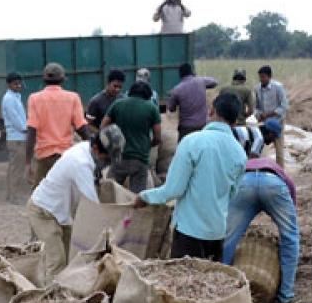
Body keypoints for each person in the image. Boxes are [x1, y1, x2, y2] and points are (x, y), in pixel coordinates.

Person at [136, 92, 247, 260]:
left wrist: (144, 197)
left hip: (189, 233)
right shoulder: (239, 153)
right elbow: (231, 194)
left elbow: (173, 190)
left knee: (183, 284)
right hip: (217, 233)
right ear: (235, 119)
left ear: (212, 111)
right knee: (210, 284)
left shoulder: (192, 142)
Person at [26, 125, 124, 279]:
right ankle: (54, 300)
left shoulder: (87, 149)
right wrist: (111, 236)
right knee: (57, 261)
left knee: (69, 259)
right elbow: (94, 207)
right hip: (43, 212)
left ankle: (61, 290)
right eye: (107, 158)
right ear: (97, 149)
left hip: (61, 214)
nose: (107, 163)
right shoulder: (80, 163)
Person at [223, 118, 299, 303]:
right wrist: (288, 220)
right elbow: (290, 188)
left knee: (228, 238)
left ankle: (222, 287)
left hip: (244, 182)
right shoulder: (276, 168)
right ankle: (285, 296)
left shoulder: (245, 156)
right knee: (290, 237)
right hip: (274, 185)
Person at [25, 62, 92, 185]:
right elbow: (82, 128)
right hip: (66, 157)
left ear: (44, 79)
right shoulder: (73, 98)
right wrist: (93, 152)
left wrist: (28, 163)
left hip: (44, 157)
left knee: (40, 197)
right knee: (66, 194)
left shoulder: (34, 99)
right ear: (62, 79)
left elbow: (32, 132)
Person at [102, 81, 161, 193]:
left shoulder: (117, 104)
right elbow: (158, 137)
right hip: (140, 159)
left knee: (109, 193)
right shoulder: (152, 108)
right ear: (148, 94)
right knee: (137, 197)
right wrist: (147, 145)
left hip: (119, 157)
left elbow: (103, 126)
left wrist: (112, 144)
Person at [166, 63, 219, 141]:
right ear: (192, 72)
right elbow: (215, 82)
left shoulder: (177, 90)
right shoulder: (201, 81)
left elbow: (171, 109)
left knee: (185, 150)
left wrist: (171, 98)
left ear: (180, 74)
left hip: (186, 129)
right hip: (203, 125)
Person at [2, 72, 30, 203]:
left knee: (14, 167)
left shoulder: (15, 97)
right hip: (16, 138)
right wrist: (27, 129)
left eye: (19, 83)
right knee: (16, 169)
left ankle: (10, 195)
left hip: (18, 137)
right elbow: (16, 120)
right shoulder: (9, 99)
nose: (18, 85)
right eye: (15, 83)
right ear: (9, 85)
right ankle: (14, 197)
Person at [254, 66, 290, 167]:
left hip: (277, 122)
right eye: (260, 77)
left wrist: (270, 114)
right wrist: (259, 114)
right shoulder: (257, 88)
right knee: (261, 148)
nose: (261, 79)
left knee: (279, 149)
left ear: (269, 77)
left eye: (263, 77)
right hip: (263, 123)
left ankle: (281, 172)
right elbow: (256, 107)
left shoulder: (278, 87)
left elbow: (284, 106)